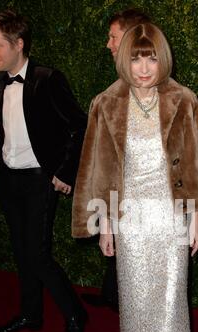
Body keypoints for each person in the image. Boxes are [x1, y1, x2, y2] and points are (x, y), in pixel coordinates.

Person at [72, 23, 198, 332]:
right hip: (131, 220)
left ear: (162, 59)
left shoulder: (183, 100)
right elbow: (98, 170)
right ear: (126, 58)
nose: (143, 67)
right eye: (137, 57)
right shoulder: (105, 104)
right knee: (135, 301)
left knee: (172, 302)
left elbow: (196, 164)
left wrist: (195, 218)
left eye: (151, 57)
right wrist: (105, 223)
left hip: (170, 217)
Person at [0, 10, 88, 332]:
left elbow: (80, 125)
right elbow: (14, 127)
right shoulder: (1, 80)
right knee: (21, 251)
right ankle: (31, 314)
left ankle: (76, 315)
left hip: (38, 180)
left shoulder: (47, 78)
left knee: (37, 255)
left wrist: (65, 171)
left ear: (19, 44)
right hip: (9, 179)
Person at [80, 9, 151, 311]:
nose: (108, 44)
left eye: (113, 37)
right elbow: (106, 167)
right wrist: (107, 224)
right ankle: (115, 295)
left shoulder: (173, 97)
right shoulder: (107, 100)